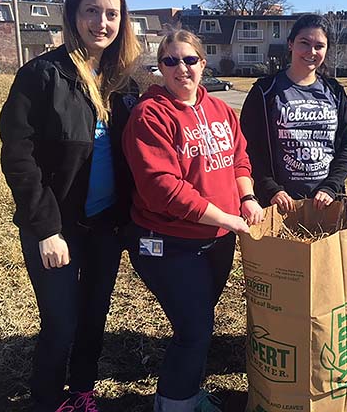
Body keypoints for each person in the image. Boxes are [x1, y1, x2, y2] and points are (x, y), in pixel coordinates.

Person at [0, 0, 141, 411]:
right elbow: (18, 156)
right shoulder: (42, 74)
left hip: (105, 225)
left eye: (112, 13)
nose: (102, 22)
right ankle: (45, 401)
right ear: (73, 16)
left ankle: (82, 393)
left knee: (94, 318)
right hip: (55, 225)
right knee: (61, 324)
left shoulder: (124, 84)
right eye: (92, 11)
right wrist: (45, 228)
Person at [122, 29, 263, 412]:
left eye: (188, 60)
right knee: (194, 330)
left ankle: (187, 392)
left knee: (199, 322)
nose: (180, 68)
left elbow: (239, 158)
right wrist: (227, 218)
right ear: (159, 68)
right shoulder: (149, 115)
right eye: (170, 61)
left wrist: (246, 197)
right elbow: (161, 188)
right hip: (167, 241)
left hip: (217, 239)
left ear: (203, 63)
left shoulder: (220, 110)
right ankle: (175, 403)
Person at [240, 14, 347, 212]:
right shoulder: (265, 91)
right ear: (290, 44)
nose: (311, 51)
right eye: (304, 43)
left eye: (319, 46)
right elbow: (248, 146)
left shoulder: (334, 91)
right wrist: (271, 189)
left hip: (326, 203)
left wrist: (331, 187)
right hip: (278, 204)